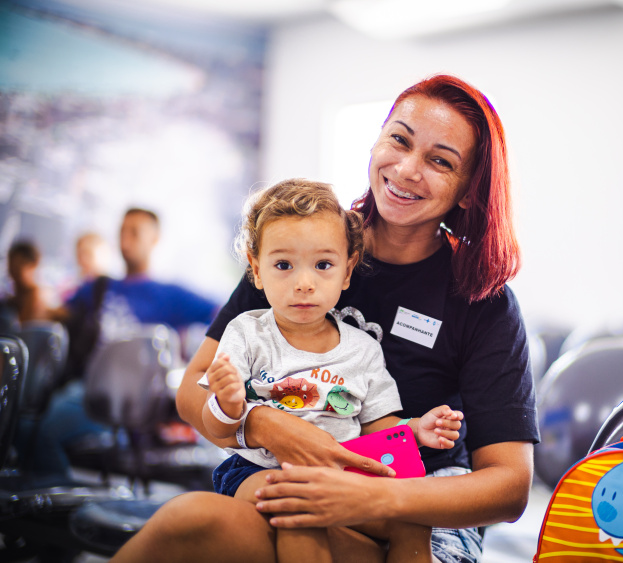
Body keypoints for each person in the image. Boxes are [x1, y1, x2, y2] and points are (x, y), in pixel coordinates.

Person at [113, 73, 538, 563]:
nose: (406, 168)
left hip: (415, 501)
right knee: (191, 522)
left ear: (468, 191)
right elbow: (194, 392)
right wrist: (265, 424)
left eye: (440, 161)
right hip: (289, 478)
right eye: (398, 140)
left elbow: (510, 485)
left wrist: (377, 496)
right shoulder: (300, 246)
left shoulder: (482, 299)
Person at [203, 178, 464, 562]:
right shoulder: (246, 333)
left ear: (347, 272)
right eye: (283, 265)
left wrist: (414, 430)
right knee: (302, 505)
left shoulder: (364, 349)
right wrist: (225, 403)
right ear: (256, 272)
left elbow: (380, 427)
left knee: (413, 516)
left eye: (323, 265)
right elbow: (218, 430)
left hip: (344, 478)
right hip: (258, 470)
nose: (304, 283)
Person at [15, 208, 220, 476]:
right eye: (122, 231)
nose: (126, 240)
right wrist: (28, 287)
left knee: (37, 433)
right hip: (90, 388)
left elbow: (223, 313)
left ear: (154, 240)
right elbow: (50, 315)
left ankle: (56, 500)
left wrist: (199, 362)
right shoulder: (99, 287)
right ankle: (57, 492)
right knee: (23, 426)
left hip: (136, 398)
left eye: (135, 232)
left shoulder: (170, 294)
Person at [2, 240, 56, 326]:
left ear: (34, 265)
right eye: (11, 265)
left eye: (19, 265)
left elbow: (19, 331)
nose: (13, 270)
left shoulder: (36, 295)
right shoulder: (13, 297)